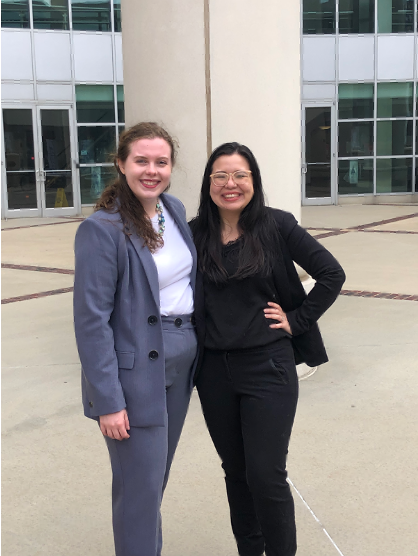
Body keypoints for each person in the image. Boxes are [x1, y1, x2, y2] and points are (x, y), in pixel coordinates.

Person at [190, 142, 345, 556]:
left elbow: (332, 273)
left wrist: (297, 320)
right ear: (208, 183)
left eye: (240, 175)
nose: (230, 184)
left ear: (254, 182)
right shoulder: (193, 233)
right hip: (213, 372)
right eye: (220, 175)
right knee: (236, 472)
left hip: (268, 368)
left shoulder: (277, 226)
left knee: (265, 474)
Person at [73, 122, 198, 556]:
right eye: (141, 161)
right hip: (136, 374)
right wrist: (108, 400)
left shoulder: (174, 210)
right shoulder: (103, 229)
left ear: (171, 167)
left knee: (154, 482)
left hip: (180, 364)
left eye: (160, 162)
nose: (151, 170)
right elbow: (91, 322)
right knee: (139, 490)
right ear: (121, 164)